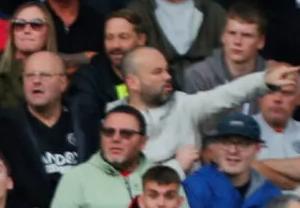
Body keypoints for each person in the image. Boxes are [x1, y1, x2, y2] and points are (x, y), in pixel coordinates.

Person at [116, 46, 294, 172]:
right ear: (133, 82)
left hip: (191, 204)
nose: (168, 76)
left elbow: (227, 94)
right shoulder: (114, 122)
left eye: (167, 70)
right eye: (157, 72)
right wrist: (177, 166)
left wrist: (263, 81)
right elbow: (125, 180)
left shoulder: (184, 106)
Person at [45, 104, 159, 208]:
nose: (115, 138)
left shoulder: (159, 177)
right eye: (108, 132)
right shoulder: (76, 179)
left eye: (126, 134)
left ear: (143, 142)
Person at [0, 51, 87, 208]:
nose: (36, 81)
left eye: (45, 75)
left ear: (63, 83)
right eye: (30, 75)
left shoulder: (84, 122)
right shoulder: (4, 125)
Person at [66, 8, 146, 126]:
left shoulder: (157, 72)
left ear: (141, 39)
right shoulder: (88, 79)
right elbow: (85, 126)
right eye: (109, 38)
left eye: (123, 37)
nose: (115, 45)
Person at [181, 4, 268, 101]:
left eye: (247, 35)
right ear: (223, 36)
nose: (237, 41)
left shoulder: (271, 76)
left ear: (261, 42)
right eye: (232, 33)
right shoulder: (198, 75)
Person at [0, 0, 58, 112]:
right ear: (12, 32)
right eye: (19, 24)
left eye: (36, 24)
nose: (26, 30)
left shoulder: (60, 72)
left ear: (48, 31)